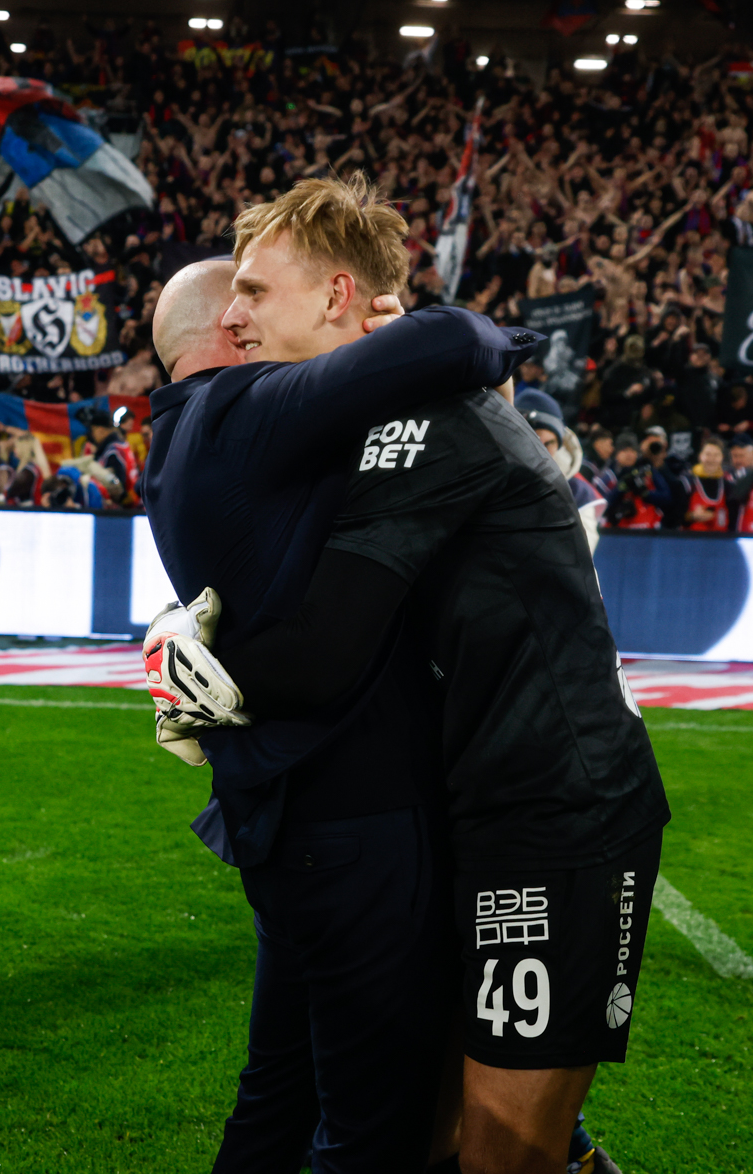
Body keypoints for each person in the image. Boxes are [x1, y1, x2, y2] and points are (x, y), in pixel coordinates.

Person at [166, 209, 670, 1172]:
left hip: (555, 809)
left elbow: (324, 650)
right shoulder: (389, 410)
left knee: (501, 1152)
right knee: (441, 1141)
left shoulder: (419, 422)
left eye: (256, 290)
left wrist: (200, 668)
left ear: (338, 296)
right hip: (476, 805)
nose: (233, 315)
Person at [141, 177, 541, 1174]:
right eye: (241, 296)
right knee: (372, 1132)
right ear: (227, 330)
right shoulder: (246, 408)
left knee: (275, 1099)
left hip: (282, 820)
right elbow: (458, 341)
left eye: (257, 289)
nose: (246, 312)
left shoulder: (175, 438)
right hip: (358, 820)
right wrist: (403, 333)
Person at [516, 387, 605, 555]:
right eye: (533, 441)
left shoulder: (577, 492)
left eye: (548, 443)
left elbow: (580, 555)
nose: (541, 451)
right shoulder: (491, 478)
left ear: (559, 444)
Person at [598, 431, 672, 530]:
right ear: (616, 454)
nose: (629, 455)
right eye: (624, 450)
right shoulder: (607, 475)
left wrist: (646, 493)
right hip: (615, 531)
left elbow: (666, 498)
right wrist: (620, 488)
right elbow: (600, 506)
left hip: (646, 528)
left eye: (633, 451)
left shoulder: (646, 470)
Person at [685, 439, 729, 532]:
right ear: (700, 456)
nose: (711, 459)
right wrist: (692, 516)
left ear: (722, 457)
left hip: (721, 538)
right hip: (694, 538)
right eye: (708, 454)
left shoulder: (727, 485)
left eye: (716, 455)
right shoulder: (688, 482)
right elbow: (675, 515)